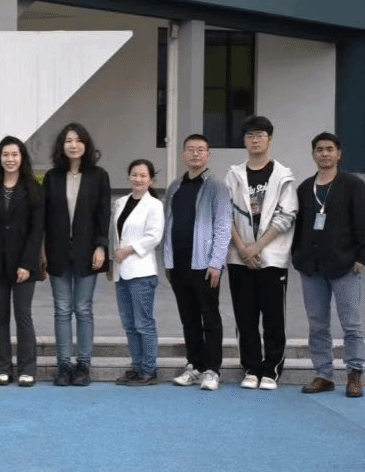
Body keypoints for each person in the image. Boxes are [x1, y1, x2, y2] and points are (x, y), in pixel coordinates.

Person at [292, 132, 365, 398]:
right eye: (319, 149)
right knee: (317, 325)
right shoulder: (305, 188)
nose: (325, 153)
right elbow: (298, 226)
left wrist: (364, 257)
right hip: (312, 269)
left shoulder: (353, 185)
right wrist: (298, 257)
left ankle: (355, 373)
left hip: (345, 266)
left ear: (338, 154)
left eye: (330, 149)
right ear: (313, 154)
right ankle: (323, 375)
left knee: (351, 324)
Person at [225, 115, 297, 391]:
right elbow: (225, 214)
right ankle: (251, 368)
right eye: (250, 135)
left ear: (270, 140)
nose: (255, 140)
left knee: (273, 317)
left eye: (260, 135)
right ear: (244, 141)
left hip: (272, 259)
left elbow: (286, 216)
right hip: (239, 258)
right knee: (245, 318)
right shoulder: (233, 175)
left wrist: (257, 247)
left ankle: (271, 370)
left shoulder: (282, 176)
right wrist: (243, 248)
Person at [162, 134, 233, 391]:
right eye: (190, 149)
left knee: (210, 317)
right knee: (188, 318)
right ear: (183, 155)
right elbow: (167, 223)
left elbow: (223, 226)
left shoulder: (217, 186)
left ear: (208, 155)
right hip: (179, 265)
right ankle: (194, 365)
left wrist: (217, 263)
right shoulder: (174, 187)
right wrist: (168, 261)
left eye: (200, 150)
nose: (195, 154)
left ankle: (212, 370)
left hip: (205, 266)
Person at [42, 122, 110, 386]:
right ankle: (63, 365)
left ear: (86, 144)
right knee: (61, 309)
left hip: (87, 252)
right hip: (57, 251)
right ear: (62, 145)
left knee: (83, 309)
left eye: (78, 140)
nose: (73, 145)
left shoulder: (98, 176)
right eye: (68, 140)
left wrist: (101, 246)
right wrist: (42, 252)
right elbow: (44, 218)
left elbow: (103, 214)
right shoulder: (52, 177)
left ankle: (83, 365)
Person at [0, 136, 44, 387]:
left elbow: (37, 231)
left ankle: (28, 369)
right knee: (0, 317)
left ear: (22, 158)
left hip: (24, 264)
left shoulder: (33, 190)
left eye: (15, 154)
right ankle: (2, 368)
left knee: (23, 315)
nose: (10, 159)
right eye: (5, 155)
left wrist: (27, 263)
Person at [110, 159, 165, 386]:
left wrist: (128, 250)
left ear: (151, 180)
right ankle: (137, 366)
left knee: (144, 323)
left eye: (143, 176)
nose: (138, 179)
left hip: (141, 272)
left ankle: (149, 369)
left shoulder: (154, 205)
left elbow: (154, 236)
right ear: (129, 176)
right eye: (134, 174)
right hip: (121, 271)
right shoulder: (120, 202)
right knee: (129, 324)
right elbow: (115, 235)